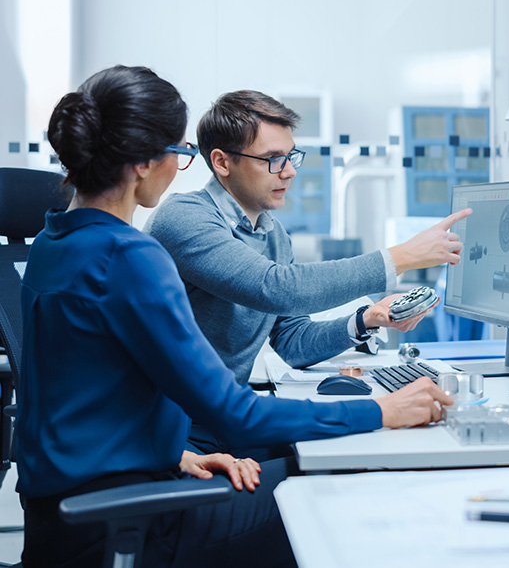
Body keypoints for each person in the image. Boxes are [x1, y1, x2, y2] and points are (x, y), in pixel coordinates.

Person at [16, 65, 452, 568]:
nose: (181, 165)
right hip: (120, 520)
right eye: (179, 154)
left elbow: (74, 394)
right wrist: (383, 411)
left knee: (314, 462)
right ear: (142, 164)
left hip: (70, 514)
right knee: (348, 482)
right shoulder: (130, 254)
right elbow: (237, 409)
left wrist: (173, 453)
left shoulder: (54, 241)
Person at [145, 90, 470, 460]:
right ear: (221, 162)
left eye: (290, 156)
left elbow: (293, 342)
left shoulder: (273, 235)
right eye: (272, 159)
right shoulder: (186, 217)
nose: (290, 171)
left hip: (223, 422)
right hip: (179, 432)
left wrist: (365, 320)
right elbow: (277, 289)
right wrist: (400, 257)